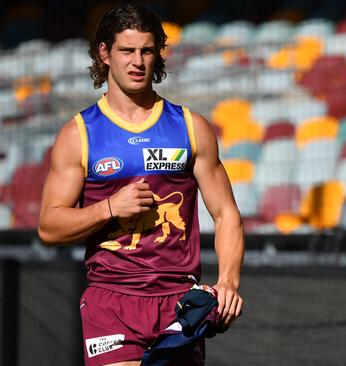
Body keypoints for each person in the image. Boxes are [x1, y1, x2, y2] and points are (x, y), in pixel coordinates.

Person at [38, 3, 244, 365]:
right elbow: (49, 226)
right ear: (104, 52)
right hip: (112, 301)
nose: (138, 61)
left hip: (179, 302)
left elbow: (227, 214)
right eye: (127, 51)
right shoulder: (79, 135)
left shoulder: (191, 128)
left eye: (147, 51)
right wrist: (109, 208)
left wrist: (228, 282)